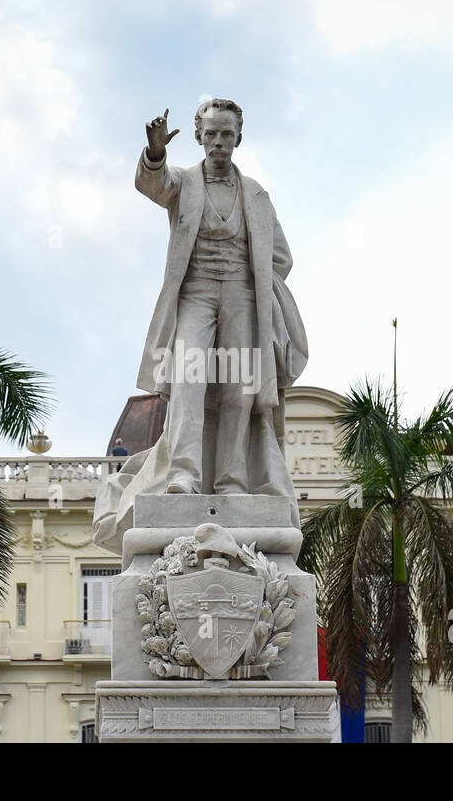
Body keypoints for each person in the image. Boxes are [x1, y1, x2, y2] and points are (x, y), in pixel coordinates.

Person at [91, 99, 307, 553]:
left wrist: (255, 276)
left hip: (243, 296)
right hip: (195, 293)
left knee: (239, 390)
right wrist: (154, 153)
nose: (219, 143)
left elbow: (282, 257)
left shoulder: (257, 196)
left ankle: (231, 480)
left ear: (238, 137)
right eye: (211, 135)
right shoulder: (185, 183)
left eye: (227, 134)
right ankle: (183, 475)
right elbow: (154, 184)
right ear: (198, 137)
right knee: (188, 381)